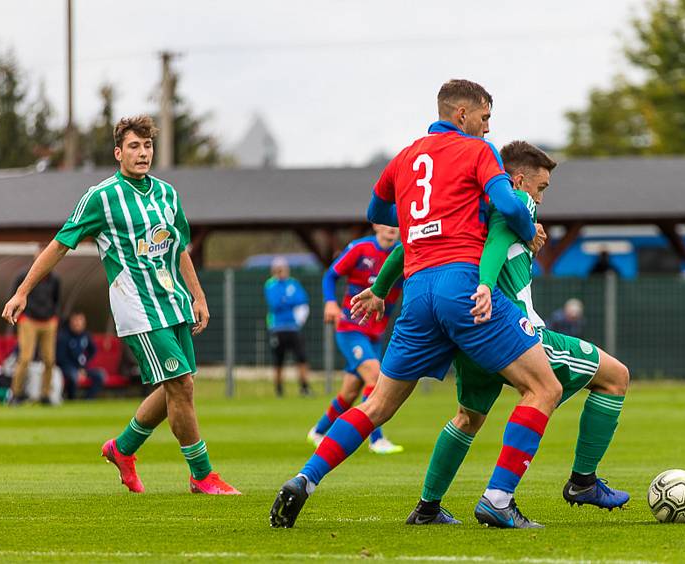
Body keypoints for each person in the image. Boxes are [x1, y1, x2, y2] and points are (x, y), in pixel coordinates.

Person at [270, 79, 559, 529]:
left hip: (416, 292)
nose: (487, 130)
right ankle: (499, 499)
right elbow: (508, 203)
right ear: (462, 115)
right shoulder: (477, 153)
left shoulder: (404, 158)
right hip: (462, 286)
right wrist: (526, 224)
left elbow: (377, 212)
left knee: (376, 406)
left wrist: (421, 220)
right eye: (484, 119)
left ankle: (304, 480)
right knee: (544, 388)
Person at [354, 141, 630, 525]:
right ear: (517, 180)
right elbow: (502, 240)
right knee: (613, 377)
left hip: (471, 336)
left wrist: (381, 289)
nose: (541, 198)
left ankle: (427, 507)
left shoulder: (467, 211)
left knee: (468, 417)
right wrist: (507, 251)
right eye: (541, 187)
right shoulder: (519, 204)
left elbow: (407, 247)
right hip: (516, 331)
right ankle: (574, 482)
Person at [2, 115, 239, 495]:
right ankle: (202, 475)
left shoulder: (167, 194)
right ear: (118, 153)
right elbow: (61, 243)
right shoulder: (102, 197)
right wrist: (23, 290)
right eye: (134, 146)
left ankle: (122, 448)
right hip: (138, 306)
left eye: (147, 146)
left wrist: (198, 295)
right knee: (182, 385)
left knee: (177, 387)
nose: (142, 153)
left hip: (173, 301)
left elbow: (180, 249)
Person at [308, 224, 403, 455]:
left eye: (396, 223)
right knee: (375, 377)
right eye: (386, 222)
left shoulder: (405, 252)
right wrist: (330, 302)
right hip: (351, 328)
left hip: (374, 333)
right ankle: (376, 439)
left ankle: (319, 431)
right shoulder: (360, 249)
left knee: (349, 393)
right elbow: (331, 276)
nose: (391, 228)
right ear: (375, 225)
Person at [8, 250, 60, 405]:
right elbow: (15, 296)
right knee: (25, 358)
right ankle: (16, 393)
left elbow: (57, 300)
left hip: (48, 321)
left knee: (50, 360)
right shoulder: (23, 275)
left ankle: (45, 395)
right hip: (28, 320)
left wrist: (55, 317)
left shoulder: (55, 279)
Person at [264, 257, 312, 397]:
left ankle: (304, 387)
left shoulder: (294, 283)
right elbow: (275, 303)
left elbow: (302, 300)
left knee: (301, 358)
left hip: (293, 327)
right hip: (277, 328)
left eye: (283, 268)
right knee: (278, 361)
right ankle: (279, 390)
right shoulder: (270, 284)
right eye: (278, 269)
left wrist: (286, 300)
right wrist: (289, 301)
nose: (281, 271)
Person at [56, 311, 106, 400]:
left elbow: (93, 350)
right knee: (73, 376)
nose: (78, 323)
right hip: (67, 368)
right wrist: (76, 370)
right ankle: (72, 399)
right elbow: (61, 358)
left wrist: (83, 367)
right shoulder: (63, 337)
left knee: (100, 375)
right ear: (71, 322)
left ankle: (88, 399)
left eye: (80, 320)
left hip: (83, 369)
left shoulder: (86, 336)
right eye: (76, 320)